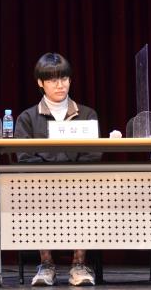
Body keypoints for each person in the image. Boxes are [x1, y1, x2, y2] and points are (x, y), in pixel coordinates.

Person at [15, 53, 100, 286]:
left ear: (70, 80)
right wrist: (52, 175)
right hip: (41, 185)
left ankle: (79, 264)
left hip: (79, 185)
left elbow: (93, 155)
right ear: (40, 83)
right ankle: (46, 264)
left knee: (87, 196)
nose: (60, 85)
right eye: (52, 80)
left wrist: (70, 176)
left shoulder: (87, 114)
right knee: (35, 196)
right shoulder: (27, 118)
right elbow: (24, 157)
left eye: (64, 78)